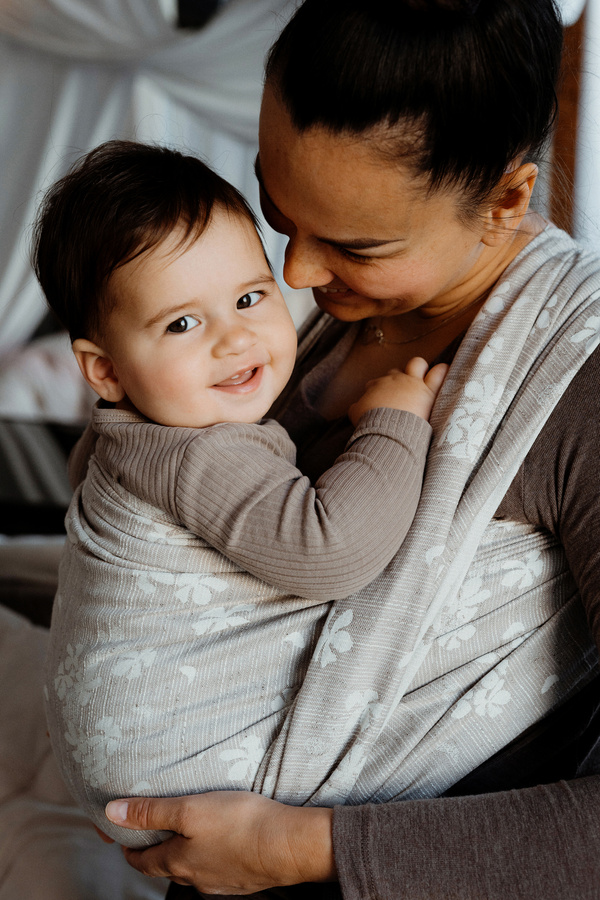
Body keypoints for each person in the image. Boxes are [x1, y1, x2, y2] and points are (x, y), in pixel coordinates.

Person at [98, 1, 600, 898]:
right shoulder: (326, 321)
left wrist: (305, 849)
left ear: (508, 199)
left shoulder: (580, 383)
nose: (293, 275)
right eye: (277, 205)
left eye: (357, 245)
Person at [36, 140, 447, 847]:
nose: (236, 339)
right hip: (178, 763)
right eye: (183, 323)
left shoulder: (122, 434)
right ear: (104, 370)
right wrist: (393, 424)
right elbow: (331, 551)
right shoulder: (205, 451)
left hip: (117, 758)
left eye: (251, 297)